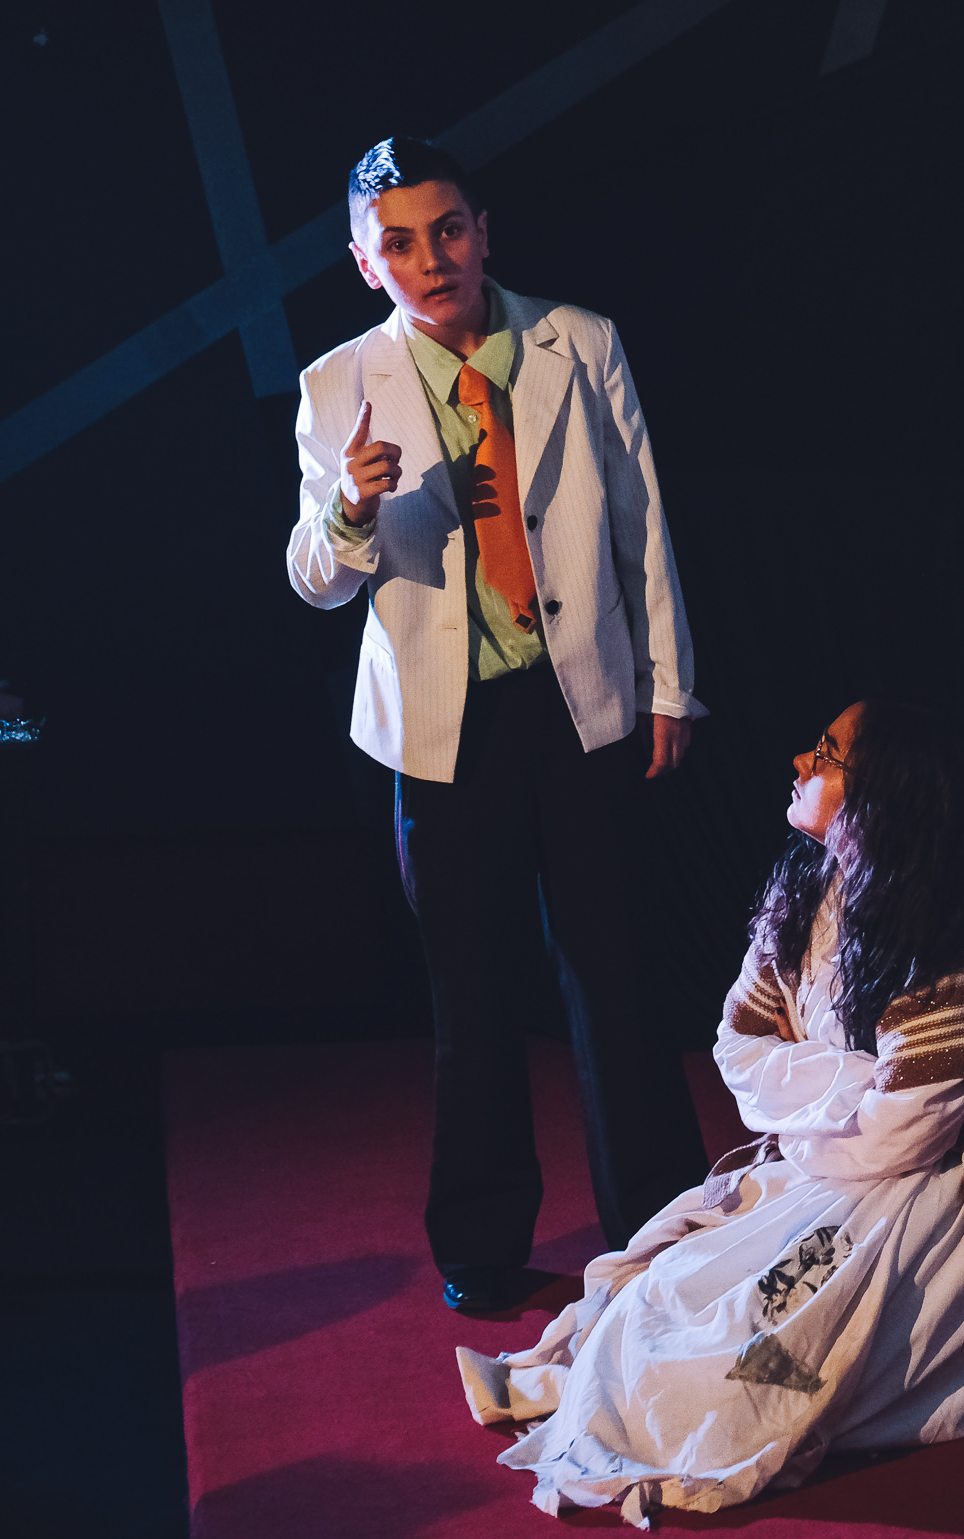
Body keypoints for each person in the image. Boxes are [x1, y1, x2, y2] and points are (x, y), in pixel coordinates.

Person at [456, 701, 964, 1528]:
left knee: (757, 1348)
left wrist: (805, 1117)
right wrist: (851, 1083)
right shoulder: (805, 894)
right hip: (831, 1169)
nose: (798, 762)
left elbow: (900, 1136)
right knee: (663, 1290)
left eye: (826, 755)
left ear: (886, 796)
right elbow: (738, 1048)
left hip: (933, 1201)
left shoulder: (958, 938)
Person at [286, 137, 712, 1313]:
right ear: (365, 263)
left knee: (614, 975)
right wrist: (352, 503)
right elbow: (313, 580)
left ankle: (659, 1220)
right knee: (467, 996)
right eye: (400, 243)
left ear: (483, 230)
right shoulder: (336, 385)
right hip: (441, 730)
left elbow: (640, 520)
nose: (432, 260)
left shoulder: (580, 339)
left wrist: (669, 684)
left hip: (577, 702)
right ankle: (479, 1242)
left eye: (449, 230)